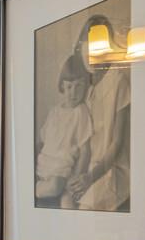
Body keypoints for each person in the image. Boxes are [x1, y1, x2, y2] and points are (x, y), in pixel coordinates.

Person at [67, 15, 132, 211]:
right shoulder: (85, 86)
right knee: (66, 203)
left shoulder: (118, 80)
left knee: (85, 211)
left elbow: (117, 143)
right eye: (85, 51)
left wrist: (89, 178)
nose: (89, 58)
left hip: (110, 170)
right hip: (87, 168)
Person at [36, 54, 93, 208]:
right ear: (62, 86)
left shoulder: (81, 112)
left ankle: (41, 191)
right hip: (45, 163)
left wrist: (77, 176)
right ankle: (35, 190)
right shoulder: (54, 111)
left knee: (58, 190)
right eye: (69, 87)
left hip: (62, 169)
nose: (73, 92)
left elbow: (85, 150)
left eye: (79, 86)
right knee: (50, 185)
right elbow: (44, 140)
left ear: (86, 87)